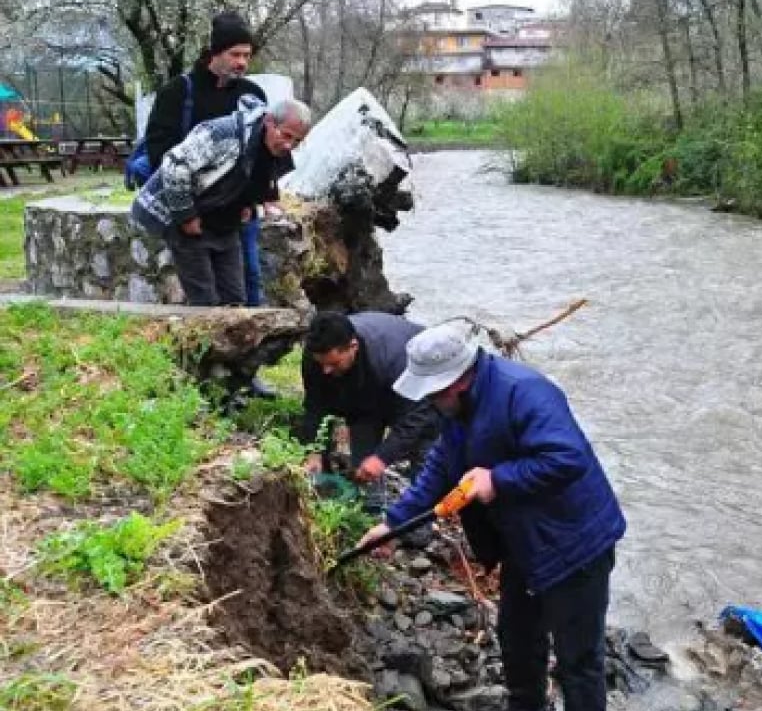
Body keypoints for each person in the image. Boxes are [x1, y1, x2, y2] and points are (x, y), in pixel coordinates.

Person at [357, 322, 626, 711]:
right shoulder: (454, 408)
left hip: (575, 543)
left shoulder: (525, 392)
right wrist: (392, 524)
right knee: (517, 641)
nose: (429, 401)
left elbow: (567, 457)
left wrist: (497, 479)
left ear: (457, 382)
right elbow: (440, 466)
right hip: (524, 544)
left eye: (433, 393)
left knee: (579, 662)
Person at [143, 10, 272, 307]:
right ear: (215, 52)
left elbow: (258, 156)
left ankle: (251, 345)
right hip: (191, 211)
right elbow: (160, 152)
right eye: (234, 54)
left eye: (247, 55)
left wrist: (251, 201)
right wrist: (185, 212)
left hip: (234, 212)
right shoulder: (178, 93)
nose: (241, 62)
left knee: (248, 279)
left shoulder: (252, 96)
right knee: (203, 295)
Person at [130, 96, 310, 307]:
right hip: (188, 221)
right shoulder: (221, 133)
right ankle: (202, 338)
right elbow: (174, 164)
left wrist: (250, 205)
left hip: (226, 224)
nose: (289, 145)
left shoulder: (275, 150)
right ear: (269, 121)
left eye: (297, 141)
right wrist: (185, 215)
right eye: (286, 135)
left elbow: (253, 178)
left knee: (235, 299)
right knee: (205, 301)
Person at [300, 312, 442, 509]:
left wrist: (383, 457)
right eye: (321, 363)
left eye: (333, 364)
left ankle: (418, 527)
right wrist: (313, 449)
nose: (326, 371)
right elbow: (314, 404)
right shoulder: (315, 356)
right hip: (364, 398)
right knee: (364, 461)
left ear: (353, 347)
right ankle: (371, 511)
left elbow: (417, 416)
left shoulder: (397, 359)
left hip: (417, 387)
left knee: (424, 453)